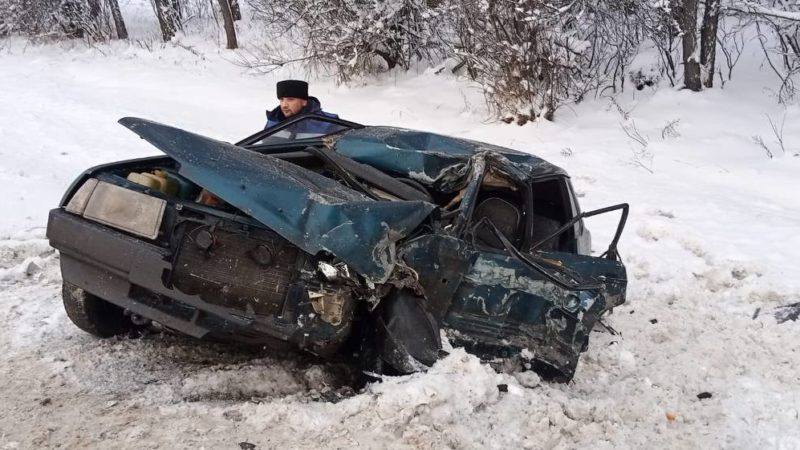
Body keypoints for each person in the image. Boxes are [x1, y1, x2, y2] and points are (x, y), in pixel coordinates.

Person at [265, 80, 339, 130]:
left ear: (304, 102)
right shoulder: (273, 121)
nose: (284, 105)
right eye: (281, 100)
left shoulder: (328, 123)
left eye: (290, 99)